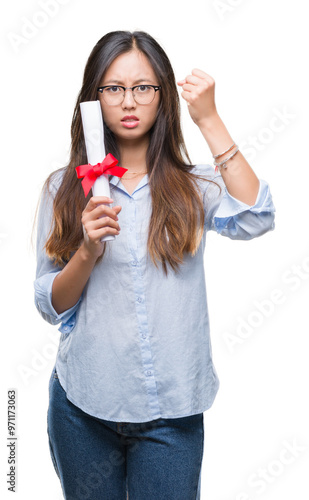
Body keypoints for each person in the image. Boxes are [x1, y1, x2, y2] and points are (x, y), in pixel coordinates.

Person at [34, 30, 275, 500]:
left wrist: (209, 119)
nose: (129, 101)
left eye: (143, 87)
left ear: (163, 95)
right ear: (93, 98)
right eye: (113, 88)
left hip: (172, 413)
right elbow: (51, 305)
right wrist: (86, 250)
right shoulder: (64, 188)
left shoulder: (194, 187)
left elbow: (257, 216)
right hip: (83, 407)